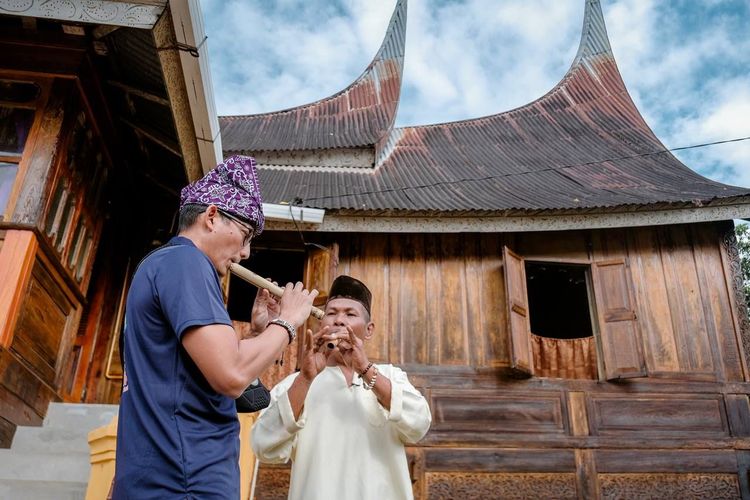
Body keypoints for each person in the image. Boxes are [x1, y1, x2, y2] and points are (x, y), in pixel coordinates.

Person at [113, 155, 318, 499]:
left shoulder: (161, 265)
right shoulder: (186, 261)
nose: (246, 253)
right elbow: (231, 373)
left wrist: (256, 335)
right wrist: (288, 321)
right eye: (245, 234)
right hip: (185, 481)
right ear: (211, 217)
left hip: (160, 478)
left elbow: (206, 383)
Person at [252, 275, 432, 500]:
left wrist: (364, 369)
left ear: (368, 330)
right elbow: (263, 446)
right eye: (332, 313)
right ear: (322, 324)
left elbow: (419, 423)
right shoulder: (295, 383)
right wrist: (306, 378)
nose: (339, 321)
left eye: (350, 314)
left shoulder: (391, 376)